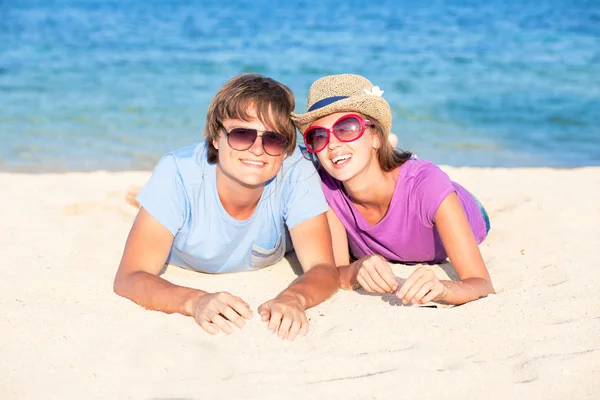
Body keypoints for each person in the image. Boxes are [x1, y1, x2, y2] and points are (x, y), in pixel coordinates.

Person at [114, 74, 339, 341]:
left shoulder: (295, 171)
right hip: (187, 186)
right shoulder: (177, 173)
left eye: (273, 139)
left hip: (297, 195)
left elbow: (324, 268)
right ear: (216, 138)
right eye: (242, 134)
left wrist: (294, 298)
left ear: (286, 147)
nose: (257, 149)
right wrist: (194, 301)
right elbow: (130, 276)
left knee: (334, 183)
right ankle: (147, 197)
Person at [291, 74, 494, 306]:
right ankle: (377, 148)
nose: (333, 143)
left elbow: (482, 284)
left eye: (347, 128)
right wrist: (357, 269)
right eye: (318, 136)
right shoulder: (327, 189)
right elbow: (338, 271)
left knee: (427, 184)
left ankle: (391, 153)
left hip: (467, 210)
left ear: (376, 136)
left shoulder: (428, 186)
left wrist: (443, 289)